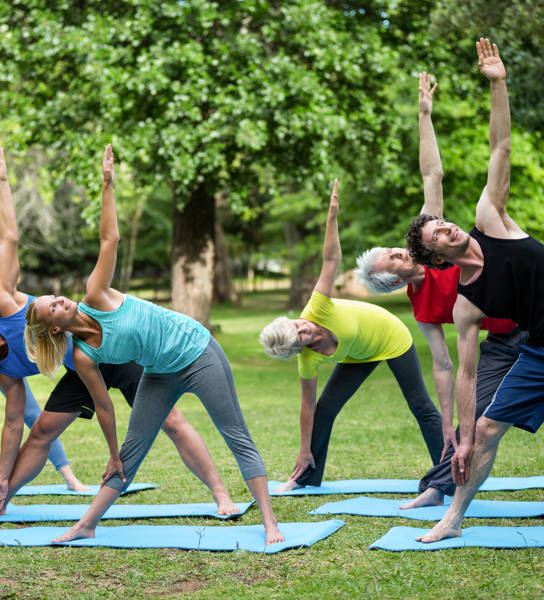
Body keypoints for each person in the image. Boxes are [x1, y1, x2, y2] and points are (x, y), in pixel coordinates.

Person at [24, 145, 283, 545]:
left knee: (234, 433)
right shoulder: (83, 355)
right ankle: (86, 524)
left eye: (55, 297)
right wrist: (112, 452)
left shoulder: (95, 294)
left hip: (196, 352)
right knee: (131, 452)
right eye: (51, 308)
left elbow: (109, 238)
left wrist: (108, 184)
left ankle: (270, 523)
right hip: (159, 373)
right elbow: (105, 407)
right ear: (54, 329)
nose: (59, 299)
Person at [355, 73, 526, 508]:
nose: (399, 252)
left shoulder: (433, 243)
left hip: (530, 317)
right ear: (393, 282)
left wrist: (424, 115)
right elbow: (445, 366)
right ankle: (438, 488)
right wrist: (449, 421)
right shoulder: (424, 306)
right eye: (391, 260)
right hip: (503, 342)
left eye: (394, 250)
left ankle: (437, 487)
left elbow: (432, 172)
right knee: (471, 425)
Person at [405, 39, 544, 542]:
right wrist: (462, 439)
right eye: (437, 233)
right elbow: (464, 375)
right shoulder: (466, 305)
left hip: (529, 343)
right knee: (485, 431)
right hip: (538, 349)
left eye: (443, 222)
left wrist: (498, 83)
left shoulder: (491, 219)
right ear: (437, 258)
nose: (447, 226)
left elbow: (500, 147)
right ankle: (452, 517)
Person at [259, 180, 443, 493]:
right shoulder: (308, 360)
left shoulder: (317, 307)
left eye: (298, 324)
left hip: (390, 336)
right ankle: (305, 477)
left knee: (421, 406)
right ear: (297, 348)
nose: (306, 327)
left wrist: (331, 219)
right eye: (301, 335)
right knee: (325, 409)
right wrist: (303, 450)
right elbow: (307, 408)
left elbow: (330, 260)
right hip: (359, 352)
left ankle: (447, 474)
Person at [0, 147, 88, 497]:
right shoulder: (6, 372)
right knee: (37, 422)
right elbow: (11, 425)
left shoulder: (5, 305)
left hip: (85, 350)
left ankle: (70, 478)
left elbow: (10, 238)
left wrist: (3, 179)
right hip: (57, 364)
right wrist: (3, 479)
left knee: (161, 410)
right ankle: (60, 479)